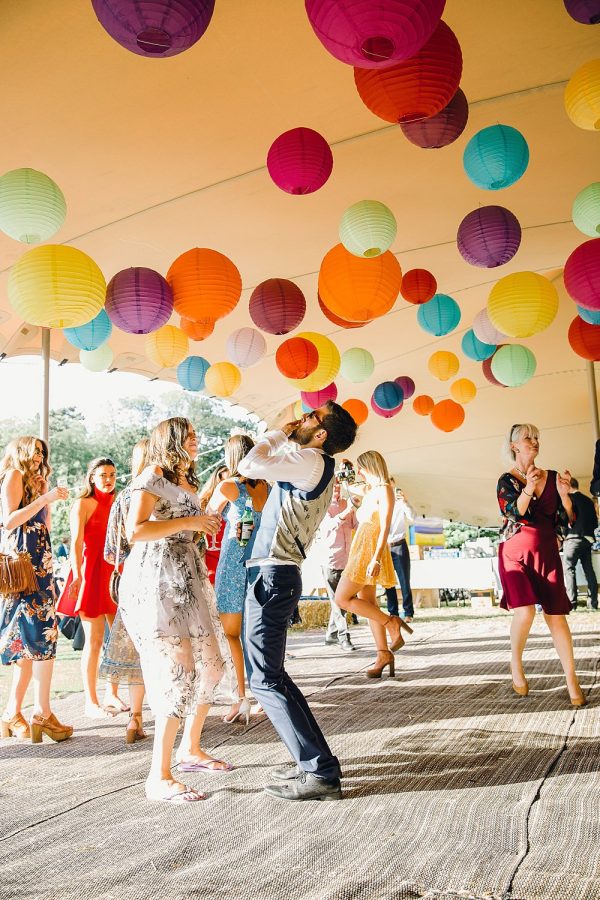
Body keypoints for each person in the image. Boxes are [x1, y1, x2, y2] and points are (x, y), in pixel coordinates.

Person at [238, 401, 357, 802]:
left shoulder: (309, 459)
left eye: (312, 417)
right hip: (279, 574)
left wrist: (277, 433)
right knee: (273, 676)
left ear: (321, 434)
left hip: (273, 574)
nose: (303, 419)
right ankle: (313, 763)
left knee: (264, 679)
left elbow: (249, 465)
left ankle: (319, 771)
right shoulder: (315, 464)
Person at [119, 417, 234, 804]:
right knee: (177, 668)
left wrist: (203, 525)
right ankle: (159, 776)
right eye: (190, 435)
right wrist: (190, 521)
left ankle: (191, 749)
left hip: (189, 573)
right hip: (156, 577)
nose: (197, 440)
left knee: (213, 664)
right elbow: (134, 531)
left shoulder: (187, 479)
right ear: (171, 440)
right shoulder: (153, 474)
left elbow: (184, 525)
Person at [496, 423, 585, 706]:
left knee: (556, 616)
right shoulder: (506, 480)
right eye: (527, 438)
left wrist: (565, 497)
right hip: (514, 553)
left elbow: (567, 519)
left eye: (536, 437)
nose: (533, 441)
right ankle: (516, 665)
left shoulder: (555, 476)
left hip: (546, 552)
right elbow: (512, 513)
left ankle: (572, 680)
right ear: (514, 446)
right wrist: (529, 488)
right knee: (524, 613)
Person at [0, 437, 72, 743]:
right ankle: (42, 713)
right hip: (25, 570)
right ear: (21, 452)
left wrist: (43, 494)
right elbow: (9, 521)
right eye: (36, 451)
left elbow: (44, 527)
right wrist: (45, 499)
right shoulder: (13, 475)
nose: (39, 456)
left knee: (29, 645)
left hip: (39, 568)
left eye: (43, 452)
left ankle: (12, 714)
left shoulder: (33, 482)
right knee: (42, 637)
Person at [57, 457, 126, 718]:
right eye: (103, 475)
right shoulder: (83, 504)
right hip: (91, 573)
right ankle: (91, 702)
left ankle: (113, 693)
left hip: (116, 573)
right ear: (92, 478)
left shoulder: (121, 502)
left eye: (112, 474)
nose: (108, 479)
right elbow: (76, 542)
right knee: (94, 641)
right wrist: (76, 576)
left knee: (118, 638)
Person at [334, 451, 412, 680]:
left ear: (370, 467)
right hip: (361, 545)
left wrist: (376, 557)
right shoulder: (369, 490)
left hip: (370, 548)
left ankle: (390, 622)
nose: (359, 473)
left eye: (361, 468)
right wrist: (344, 467)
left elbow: (385, 526)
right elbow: (348, 484)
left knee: (342, 598)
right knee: (368, 602)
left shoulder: (385, 489)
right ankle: (382, 654)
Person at [210, 436, 269, 725]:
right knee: (254, 636)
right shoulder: (267, 488)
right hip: (259, 566)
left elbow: (206, 513)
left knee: (231, 635)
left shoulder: (228, 487)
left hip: (233, 564)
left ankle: (240, 698)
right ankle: (262, 695)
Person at [99, 438, 150, 744]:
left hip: (133, 577)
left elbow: (111, 552)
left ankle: (136, 718)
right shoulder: (167, 491)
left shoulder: (124, 497)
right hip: (164, 578)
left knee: (134, 650)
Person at [315, 480, 357, 652]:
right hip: (330, 560)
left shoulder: (346, 503)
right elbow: (327, 528)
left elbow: (355, 525)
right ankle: (343, 637)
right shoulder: (322, 505)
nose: (337, 487)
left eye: (338, 484)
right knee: (338, 601)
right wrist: (345, 513)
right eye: (333, 484)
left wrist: (360, 510)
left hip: (348, 560)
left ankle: (331, 635)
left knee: (341, 599)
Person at [563, 477, 598, 611]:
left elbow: (565, 519)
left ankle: (572, 603)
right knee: (589, 570)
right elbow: (595, 522)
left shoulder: (569, 500)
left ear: (569, 486)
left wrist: (564, 534)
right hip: (588, 538)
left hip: (573, 538)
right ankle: (593, 603)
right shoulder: (589, 500)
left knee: (569, 569)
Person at [384, 479, 415, 623]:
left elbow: (413, 517)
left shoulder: (400, 503)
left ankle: (408, 612)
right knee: (388, 582)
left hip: (399, 544)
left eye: (392, 485)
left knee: (404, 581)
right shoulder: (381, 503)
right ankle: (393, 613)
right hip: (385, 546)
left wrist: (405, 502)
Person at [199, 464, 228, 586]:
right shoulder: (205, 505)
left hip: (229, 556)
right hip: (211, 555)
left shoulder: (239, 508)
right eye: (223, 482)